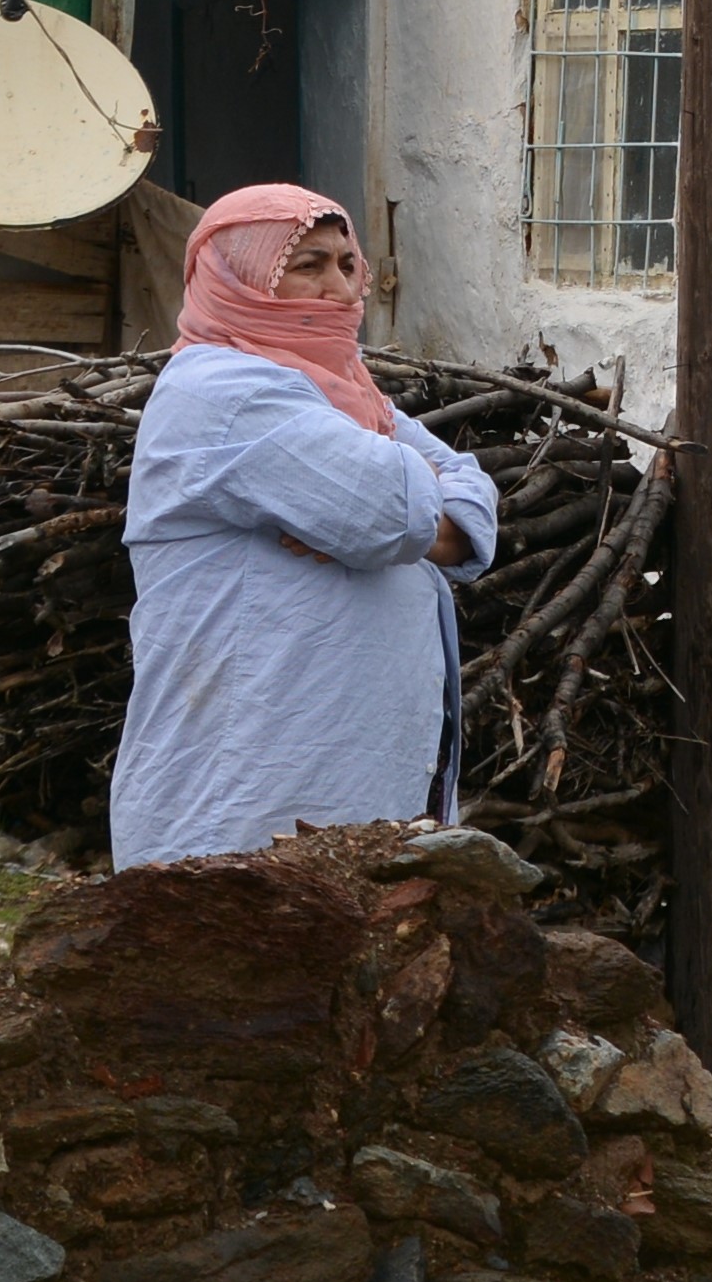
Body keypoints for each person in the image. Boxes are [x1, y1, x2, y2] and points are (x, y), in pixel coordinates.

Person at [114, 184, 502, 868]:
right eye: (308, 265)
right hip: (250, 779)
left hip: (347, 768)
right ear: (239, 278)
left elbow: (468, 508)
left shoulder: (354, 396)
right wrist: (392, 516)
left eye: (348, 265)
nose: (341, 289)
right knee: (237, 949)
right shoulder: (221, 389)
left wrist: (388, 517)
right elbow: (385, 510)